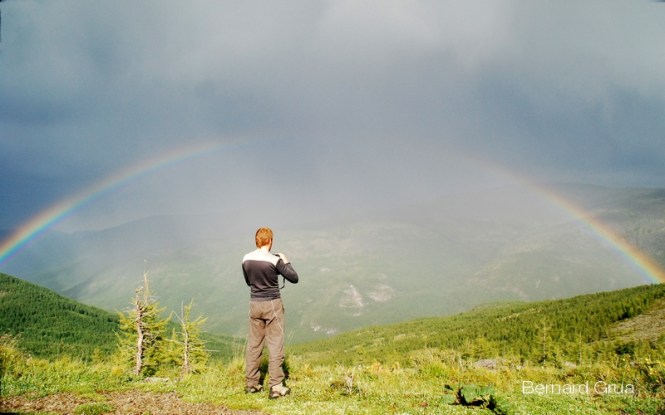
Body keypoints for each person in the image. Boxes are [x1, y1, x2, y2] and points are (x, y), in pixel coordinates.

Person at [242, 227, 299, 399]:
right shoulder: (274, 260)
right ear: (271, 241)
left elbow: (248, 281)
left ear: (256, 241)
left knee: (254, 344)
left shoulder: (246, 258)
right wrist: (286, 261)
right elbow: (294, 278)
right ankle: (276, 386)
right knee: (275, 345)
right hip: (272, 304)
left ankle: (252, 384)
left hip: (254, 304)